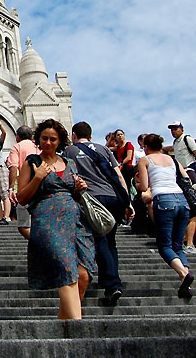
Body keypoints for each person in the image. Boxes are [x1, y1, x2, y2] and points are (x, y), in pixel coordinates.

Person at [17, 119, 95, 320]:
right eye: (44, 138)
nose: (48, 143)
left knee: (83, 275)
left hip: (75, 221)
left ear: (60, 141)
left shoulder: (69, 163)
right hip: (47, 221)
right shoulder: (32, 162)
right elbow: (22, 198)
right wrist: (38, 177)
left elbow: (75, 194)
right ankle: (78, 328)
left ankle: (64, 323)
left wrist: (79, 189)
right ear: (38, 139)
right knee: (67, 272)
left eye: (53, 139)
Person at [64, 121, 132, 306]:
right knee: (110, 242)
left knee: (99, 240)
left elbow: (69, 178)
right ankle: (111, 281)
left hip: (92, 200)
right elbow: (118, 175)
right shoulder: (103, 149)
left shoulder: (70, 151)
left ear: (74, 135)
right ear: (91, 136)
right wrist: (127, 201)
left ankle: (111, 284)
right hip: (113, 197)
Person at [135, 133, 194, 298]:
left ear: (145, 147)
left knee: (165, 246)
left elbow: (145, 186)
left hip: (163, 200)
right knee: (177, 246)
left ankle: (183, 274)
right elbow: (186, 178)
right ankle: (185, 284)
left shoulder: (145, 160)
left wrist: (138, 184)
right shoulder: (171, 159)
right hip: (182, 200)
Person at [163, 122, 196, 255]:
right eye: (171, 129)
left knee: (192, 206)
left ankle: (188, 242)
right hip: (180, 174)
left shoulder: (187, 139)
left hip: (190, 171)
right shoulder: (175, 143)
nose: (173, 131)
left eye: (176, 129)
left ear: (182, 129)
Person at [7, 125, 40, 240]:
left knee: (24, 224)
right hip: (39, 184)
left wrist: (11, 188)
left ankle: (36, 241)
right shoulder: (38, 146)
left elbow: (13, 167)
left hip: (25, 186)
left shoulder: (16, 147)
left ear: (18, 136)